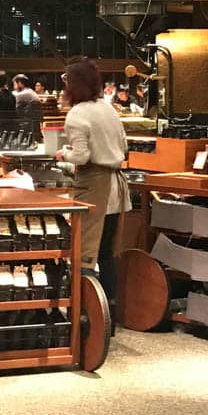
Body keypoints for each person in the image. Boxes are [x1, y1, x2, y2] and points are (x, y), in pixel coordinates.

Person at [56, 58, 129, 307]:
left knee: (84, 251)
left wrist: (63, 155)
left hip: (93, 187)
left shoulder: (77, 114)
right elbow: (124, 146)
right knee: (107, 251)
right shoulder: (108, 108)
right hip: (117, 186)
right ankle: (109, 311)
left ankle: (86, 312)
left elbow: (82, 156)